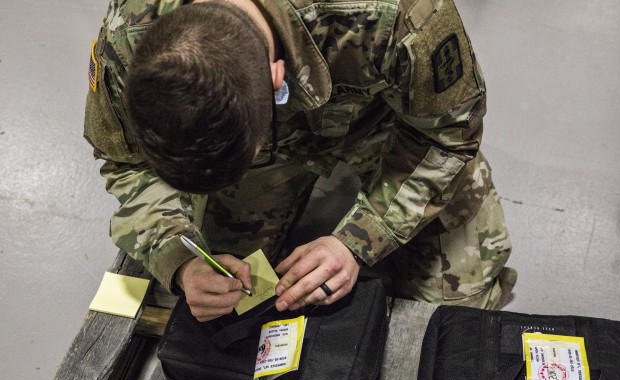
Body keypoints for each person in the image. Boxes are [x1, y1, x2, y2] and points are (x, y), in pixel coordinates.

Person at [85, 0, 517, 322]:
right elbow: (125, 162)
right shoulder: (128, 37)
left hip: (386, 127)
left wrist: (357, 240)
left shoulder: (399, 15)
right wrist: (178, 257)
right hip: (273, 137)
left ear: (277, 80)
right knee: (233, 298)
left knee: (455, 314)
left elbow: (448, 134)